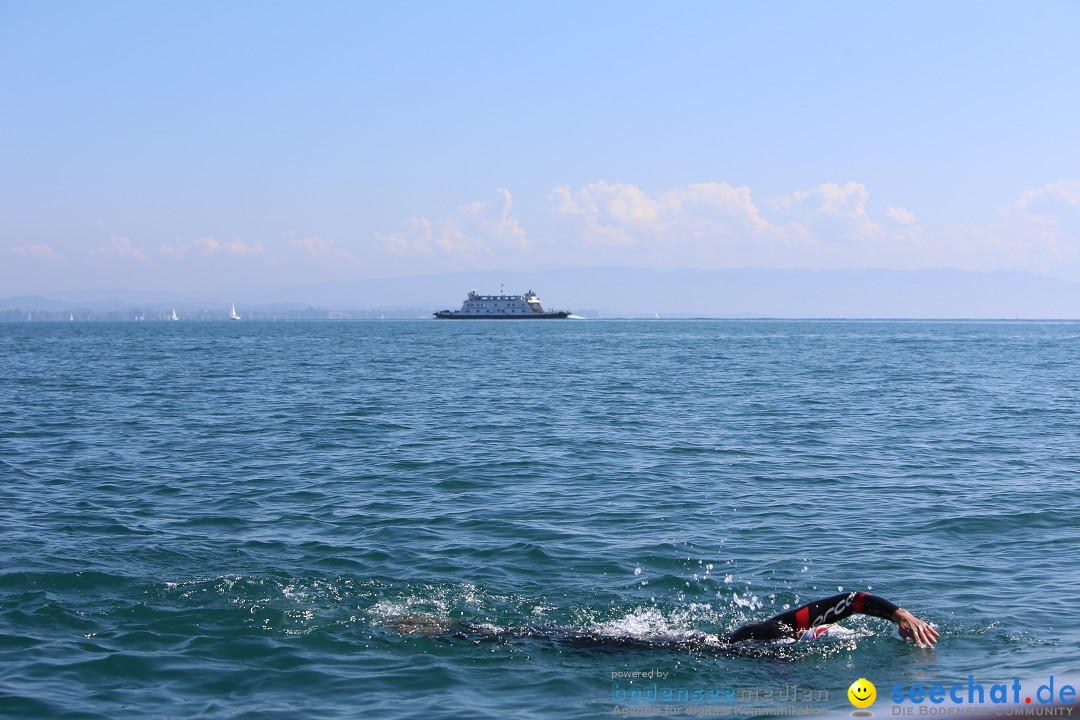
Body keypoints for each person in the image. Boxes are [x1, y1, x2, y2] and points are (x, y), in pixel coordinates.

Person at [720, 590, 939, 647]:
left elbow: (853, 601)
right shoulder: (778, 632)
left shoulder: (790, 628)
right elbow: (854, 600)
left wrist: (899, 615)